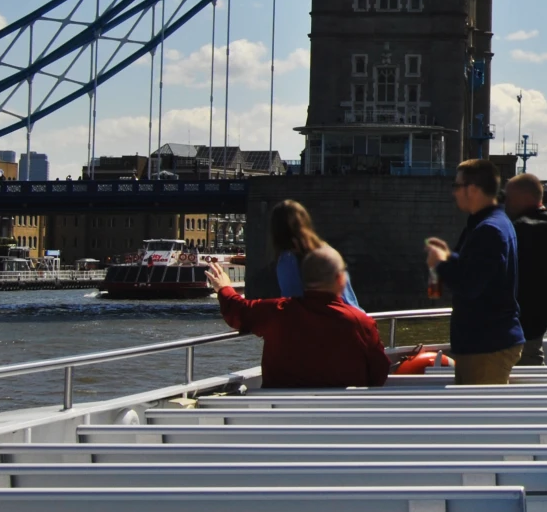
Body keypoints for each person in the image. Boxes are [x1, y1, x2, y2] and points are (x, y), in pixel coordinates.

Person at [208, 246, 388, 389]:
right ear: (341, 280)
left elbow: (238, 311)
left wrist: (224, 288)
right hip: (341, 418)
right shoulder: (361, 322)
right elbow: (379, 373)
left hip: (281, 417)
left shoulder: (277, 312)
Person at [424, 158, 525, 385]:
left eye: (456, 186)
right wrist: (449, 257)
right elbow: (479, 268)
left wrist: (441, 264)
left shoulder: (488, 229)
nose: (454, 193)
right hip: (486, 342)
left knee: (484, 417)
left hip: (487, 345)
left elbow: (471, 285)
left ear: (472, 189)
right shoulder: (491, 222)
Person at [504, 173, 547, 366]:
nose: (505, 204)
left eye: (508, 198)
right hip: (539, 324)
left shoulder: (516, 229)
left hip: (512, 327)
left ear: (523, 198)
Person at [269, 200, 361, 308]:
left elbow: (292, 302)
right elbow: (350, 300)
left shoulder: (287, 260)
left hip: (314, 321)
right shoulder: (328, 253)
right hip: (346, 317)